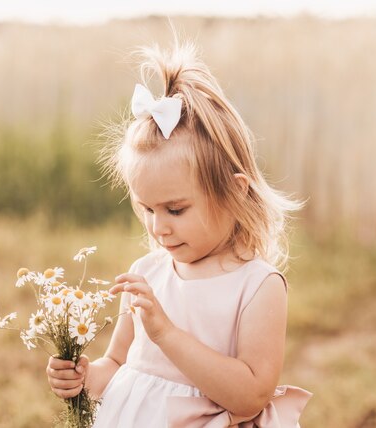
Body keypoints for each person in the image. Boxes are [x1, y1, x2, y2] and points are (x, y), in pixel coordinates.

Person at [46, 40, 312, 427]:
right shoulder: (147, 274)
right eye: (147, 208)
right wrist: (83, 377)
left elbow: (251, 396)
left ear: (235, 192)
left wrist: (166, 334)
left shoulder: (257, 285)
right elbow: (119, 364)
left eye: (175, 209)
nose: (158, 226)